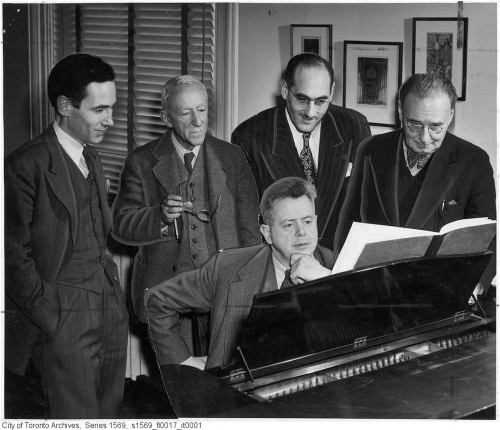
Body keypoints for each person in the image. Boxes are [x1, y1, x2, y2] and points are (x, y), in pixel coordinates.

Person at [4, 53, 128, 418]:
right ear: (65, 106)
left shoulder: (92, 156)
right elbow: (12, 253)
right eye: (100, 110)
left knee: (109, 415)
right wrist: (51, 316)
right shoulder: (24, 165)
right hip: (63, 317)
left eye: (112, 107)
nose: (111, 119)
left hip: (108, 307)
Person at [112, 75, 261, 347]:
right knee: (178, 380)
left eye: (202, 109)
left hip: (224, 292)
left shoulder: (232, 156)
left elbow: (250, 228)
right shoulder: (141, 161)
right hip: (168, 295)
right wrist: (159, 216)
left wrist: (253, 286)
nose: (198, 121)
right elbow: (121, 225)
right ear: (166, 118)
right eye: (186, 112)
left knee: (223, 376)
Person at [144, 177, 334, 371]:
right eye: (288, 225)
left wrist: (329, 280)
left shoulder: (335, 265)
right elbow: (157, 301)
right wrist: (184, 363)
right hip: (240, 390)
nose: (302, 232)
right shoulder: (228, 268)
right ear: (267, 233)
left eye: (308, 221)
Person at [335, 73, 496, 289]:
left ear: (450, 116)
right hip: (373, 289)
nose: (425, 137)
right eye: (414, 125)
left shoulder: (474, 161)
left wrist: (473, 288)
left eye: (436, 127)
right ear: (401, 110)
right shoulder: (370, 149)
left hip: (439, 291)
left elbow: (486, 238)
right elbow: (348, 224)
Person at [231, 53, 371, 250]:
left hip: (339, 259)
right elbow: (247, 222)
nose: (311, 112)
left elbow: (364, 206)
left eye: (321, 101)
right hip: (283, 261)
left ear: (331, 92)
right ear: (285, 89)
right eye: (303, 99)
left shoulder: (354, 126)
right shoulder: (249, 136)